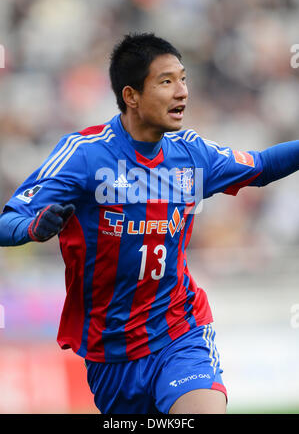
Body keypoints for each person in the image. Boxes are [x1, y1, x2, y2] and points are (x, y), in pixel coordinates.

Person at [0, 33, 298, 415]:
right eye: (166, 81)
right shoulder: (85, 155)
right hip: (111, 353)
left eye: (183, 79)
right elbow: (9, 219)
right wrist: (33, 228)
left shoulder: (193, 154)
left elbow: (262, 166)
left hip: (179, 330)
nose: (182, 92)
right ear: (131, 95)